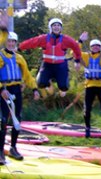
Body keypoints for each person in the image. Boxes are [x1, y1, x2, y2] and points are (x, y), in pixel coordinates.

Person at [0, 32, 40, 165]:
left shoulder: (19, 58)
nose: (11, 44)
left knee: (17, 119)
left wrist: (34, 89)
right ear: (6, 42)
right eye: (9, 41)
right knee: (3, 120)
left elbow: (27, 76)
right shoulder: (0, 56)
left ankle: (13, 148)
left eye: (13, 42)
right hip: (4, 91)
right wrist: (1, 89)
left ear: (16, 43)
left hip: (16, 90)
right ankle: (0, 152)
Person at [19, 18, 81, 97]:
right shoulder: (44, 38)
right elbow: (32, 42)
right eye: (54, 25)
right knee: (41, 83)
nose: (56, 27)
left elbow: (76, 47)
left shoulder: (66, 39)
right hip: (47, 65)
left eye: (58, 25)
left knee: (64, 87)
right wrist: (20, 47)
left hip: (60, 65)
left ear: (61, 28)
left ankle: (62, 86)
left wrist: (77, 61)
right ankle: (48, 83)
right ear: (50, 27)